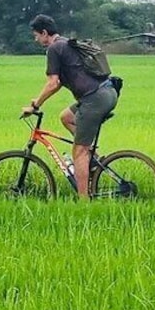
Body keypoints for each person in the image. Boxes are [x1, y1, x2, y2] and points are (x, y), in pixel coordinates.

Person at [21, 14, 118, 200]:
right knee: (66, 117)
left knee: (79, 151)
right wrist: (39, 100)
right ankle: (95, 160)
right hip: (107, 92)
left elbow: (52, 82)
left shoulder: (54, 48)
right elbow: (57, 85)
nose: (36, 39)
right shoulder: (65, 44)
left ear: (44, 33)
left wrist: (35, 105)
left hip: (95, 98)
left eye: (36, 35)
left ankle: (83, 201)